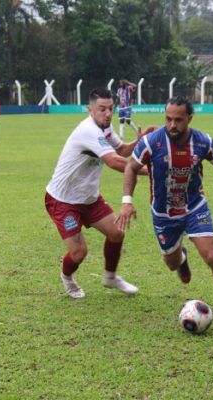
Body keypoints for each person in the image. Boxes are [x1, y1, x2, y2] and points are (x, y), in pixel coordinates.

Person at [116, 96, 213, 321]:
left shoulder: (203, 141)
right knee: (171, 263)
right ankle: (181, 259)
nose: (172, 125)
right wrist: (127, 201)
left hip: (194, 207)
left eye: (178, 120)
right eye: (168, 119)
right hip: (163, 214)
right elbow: (131, 167)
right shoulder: (151, 142)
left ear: (189, 118)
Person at [45, 87, 149, 299]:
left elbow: (121, 151)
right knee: (79, 253)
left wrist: (140, 141)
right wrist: (151, 170)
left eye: (111, 108)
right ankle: (68, 278)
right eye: (102, 109)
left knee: (116, 233)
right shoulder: (88, 130)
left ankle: (110, 277)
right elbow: (113, 161)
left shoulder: (106, 128)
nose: (108, 114)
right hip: (63, 201)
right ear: (90, 109)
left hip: (89, 199)